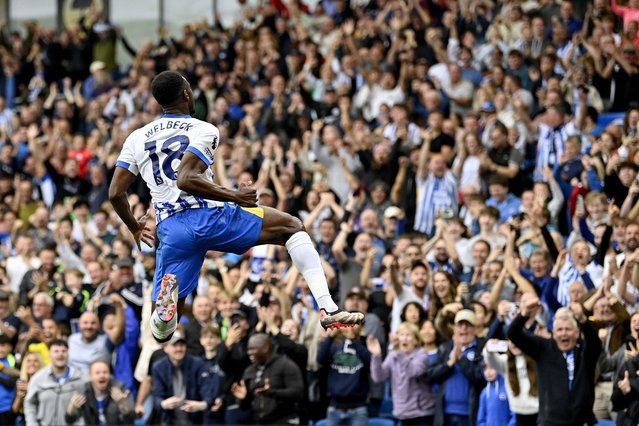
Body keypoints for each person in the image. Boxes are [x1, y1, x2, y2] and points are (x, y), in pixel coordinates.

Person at [109, 70, 363, 343]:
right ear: (186, 93)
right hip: (210, 216)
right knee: (292, 227)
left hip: (171, 229)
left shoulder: (137, 137)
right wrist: (234, 196)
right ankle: (327, 306)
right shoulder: (203, 129)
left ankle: (162, 317)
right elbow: (185, 178)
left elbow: (115, 193)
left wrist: (134, 227)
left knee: (163, 333)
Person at [507, 297, 602, 426]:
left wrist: (582, 319)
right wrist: (524, 314)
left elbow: (595, 344)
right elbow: (513, 334)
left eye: (568, 329)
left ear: (576, 333)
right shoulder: (543, 348)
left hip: (582, 421)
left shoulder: (585, 352)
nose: (564, 334)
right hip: (550, 422)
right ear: (554, 333)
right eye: (559, 330)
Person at [368, 322, 434, 425]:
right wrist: (376, 356)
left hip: (421, 413)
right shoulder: (393, 356)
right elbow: (378, 377)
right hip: (402, 412)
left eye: (408, 335)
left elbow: (413, 372)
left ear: (416, 340)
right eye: (401, 335)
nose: (404, 338)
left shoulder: (422, 355)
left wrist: (400, 353)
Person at [231, 333, 304, 424]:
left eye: (253, 349)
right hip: (260, 421)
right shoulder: (250, 370)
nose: (249, 352)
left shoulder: (286, 365)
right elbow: (246, 405)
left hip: (284, 420)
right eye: (248, 349)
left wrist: (272, 392)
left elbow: (298, 392)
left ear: (265, 348)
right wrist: (243, 399)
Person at [151, 331, 215, 425]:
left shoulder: (198, 364)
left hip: (195, 420)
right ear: (165, 348)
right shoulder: (158, 368)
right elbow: (157, 397)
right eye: (174, 345)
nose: (179, 349)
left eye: (182, 345)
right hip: (170, 420)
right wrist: (163, 404)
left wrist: (201, 405)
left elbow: (208, 393)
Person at [24, 339, 86, 426]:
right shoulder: (38, 378)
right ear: (49, 354)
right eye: (56, 351)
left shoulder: (80, 378)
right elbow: (30, 404)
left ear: (68, 354)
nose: (60, 354)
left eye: (64, 351)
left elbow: (87, 408)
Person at [64, 360, 134, 425]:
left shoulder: (120, 389)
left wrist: (123, 405)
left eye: (105, 372)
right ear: (90, 376)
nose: (102, 375)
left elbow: (130, 421)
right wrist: (72, 407)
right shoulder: (83, 392)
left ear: (110, 375)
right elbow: (69, 421)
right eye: (97, 373)